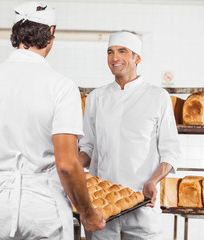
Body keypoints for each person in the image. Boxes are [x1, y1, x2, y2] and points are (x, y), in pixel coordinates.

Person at [0, 2, 105, 240]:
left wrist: (2, 177)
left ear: (16, 35)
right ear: (51, 36)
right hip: (44, 206)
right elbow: (67, 164)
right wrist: (87, 213)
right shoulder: (61, 86)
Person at [79, 31, 181, 240]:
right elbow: (87, 148)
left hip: (142, 207)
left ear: (137, 58)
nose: (115, 58)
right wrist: (67, 168)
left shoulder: (157, 97)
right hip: (101, 209)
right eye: (110, 52)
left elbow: (170, 152)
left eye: (122, 51)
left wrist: (153, 181)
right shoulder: (96, 98)